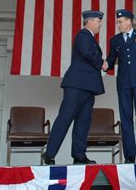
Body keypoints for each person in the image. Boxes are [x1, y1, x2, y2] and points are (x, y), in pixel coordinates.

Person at [42, 10, 106, 165]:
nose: (100, 24)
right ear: (89, 21)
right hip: (77, 85)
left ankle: (79, 155)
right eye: (98, 21)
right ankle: (49, 154)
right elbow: (87, 53)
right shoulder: (83, 35)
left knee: (83, 123)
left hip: (88, 87)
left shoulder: (89, 37)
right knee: (65, 118)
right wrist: (102, 62)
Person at [105, 9, 136, 163]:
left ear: (129, 21)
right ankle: (129, 155)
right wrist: (103, 64)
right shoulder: (115, 40)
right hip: (124, 84)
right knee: (126, 119)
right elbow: (111, 60)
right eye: (117, 22)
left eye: (120, 22)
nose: (118, 25)